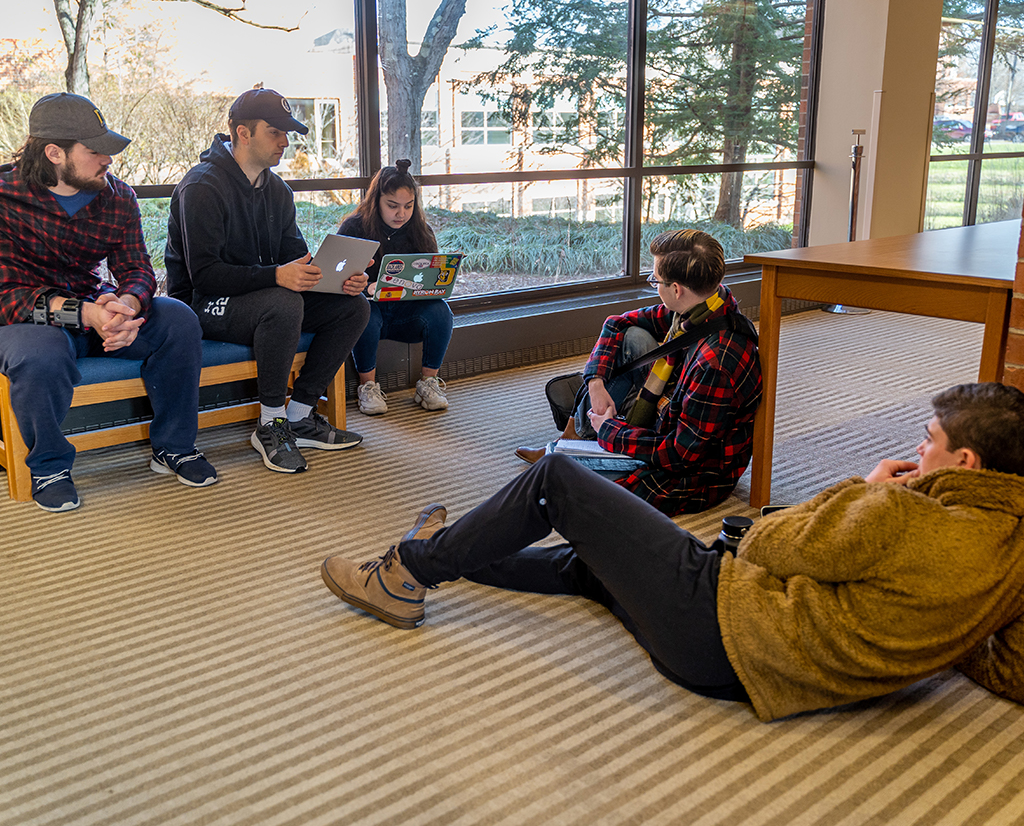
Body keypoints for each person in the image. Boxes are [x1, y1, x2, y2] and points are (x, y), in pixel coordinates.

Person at [321, 382, 1024, 723]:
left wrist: (863, 489)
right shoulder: (1015, 548)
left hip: (723, 632)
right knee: (596, 561)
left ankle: (404, 574)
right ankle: (436, 549)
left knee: (558, 479)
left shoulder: (896, 513)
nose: (918, 446)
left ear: (962, 461)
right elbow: (1012, 669)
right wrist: (934, 633)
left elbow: (769, 539)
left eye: (928, 439)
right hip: (763, 663)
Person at [0, 92, 217, 512]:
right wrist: (89, 314)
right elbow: (6, 297)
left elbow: (137, 268)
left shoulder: (117, 197)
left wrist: (128, 305)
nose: (108, 160)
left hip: (100, 312)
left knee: (179, 319)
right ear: (54, 153)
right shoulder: (4, 199)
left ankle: (173, 446)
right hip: (31, 321)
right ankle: (48, 466)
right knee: (37, 353)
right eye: (96, 151)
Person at [165, 88, 369, 474]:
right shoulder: (202, 187)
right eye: (275, 132)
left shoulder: (278, 191)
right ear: (243, 133)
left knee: (352, 307)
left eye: (286, 133)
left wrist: (334, 279)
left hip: (263, 300)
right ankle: (270, 423)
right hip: (203, 304)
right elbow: (204, 276)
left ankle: (300, 414)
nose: (285, 142)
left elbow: (296, 260)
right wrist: (278, 276)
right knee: (283, 302)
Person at [516, 228, 762, 516]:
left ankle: (581, 445)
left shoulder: (715, 364)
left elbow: (679, 454)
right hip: (668, 413)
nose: (654, 286)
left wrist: (610, 431)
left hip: (692, 472)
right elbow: (616, 323)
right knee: (632, 336)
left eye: (655, 280)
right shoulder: (703, 309)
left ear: (677, 289)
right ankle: (575, 439)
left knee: (559, 481)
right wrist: (595, 383)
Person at [337, 159, 454, 415]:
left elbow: (429, 277)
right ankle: (368, 387)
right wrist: (367, 287)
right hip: (370, 311)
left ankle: (428, 383)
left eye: (408, 206)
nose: (401, 213)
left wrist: (435, 283)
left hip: (406, 313)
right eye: (392, 206)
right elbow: (338, 278)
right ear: (376, 200)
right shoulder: (354, 227)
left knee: (441, 311)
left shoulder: (421, 231)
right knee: (362, 312)